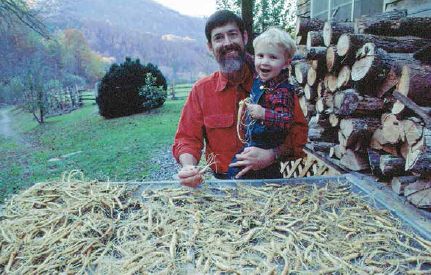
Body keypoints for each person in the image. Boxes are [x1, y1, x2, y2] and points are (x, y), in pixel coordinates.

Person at [172, 10, 308, 188]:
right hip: (224, 184)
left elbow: (299, 132)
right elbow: (187, 139)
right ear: (210, 47)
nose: (227, 43)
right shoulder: (201, 90)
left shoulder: (275, 84)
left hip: (269, 181)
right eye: (219, 38)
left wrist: (272, 155)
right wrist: (189, 168)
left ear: (244, 38)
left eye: (232, 34)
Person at [227, 27, 296, 179]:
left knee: (239, 174)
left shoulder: (282, 91)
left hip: (266, 148)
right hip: (253, 144)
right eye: (260, 55)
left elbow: (286, 119)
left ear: (286, 63)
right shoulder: (260, 81)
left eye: (273, 57)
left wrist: (263, 113)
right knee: (235, 171)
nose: (264, 61)